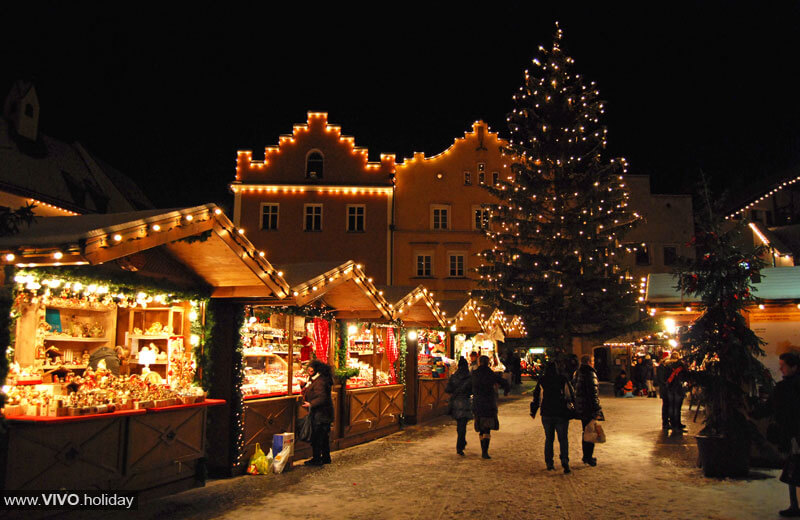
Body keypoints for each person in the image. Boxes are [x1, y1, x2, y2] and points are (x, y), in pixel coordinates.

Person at [757, 352, 800, 517]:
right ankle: (795, 505)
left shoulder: (786, 388)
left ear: (794, 367)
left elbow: (771, 407)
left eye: (783, 365)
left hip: (794, 435)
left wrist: (753, 414)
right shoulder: (787, 386)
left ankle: (795, 506)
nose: (780, 368)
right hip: (793, 434)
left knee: (794, 469)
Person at [531, 362, 573, 473]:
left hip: (547, 412)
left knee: (549, 439)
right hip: (561, 412)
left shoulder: (542, 380)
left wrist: (533, 410)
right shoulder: (562, 379)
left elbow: (537, 397)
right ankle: (565, 461)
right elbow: (570, 394)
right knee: (563, 439)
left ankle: (549, 463)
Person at [472, 355, 510, 459]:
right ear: (488, 363)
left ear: (479, 362)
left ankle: (483, 448)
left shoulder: (474, 374)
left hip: (478, 403)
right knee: (487, 427)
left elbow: (468, 386)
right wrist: (506, 391)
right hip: (489, 403)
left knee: (480, 427)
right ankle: (485, 451)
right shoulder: (491, 374)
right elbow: (505, 382)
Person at [301, 359, 334, 466]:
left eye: (311, 369)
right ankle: (325, 457)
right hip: (324, 413)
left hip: (321, 414)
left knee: (318, 437)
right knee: (324, 437)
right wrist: (304, 385)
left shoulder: (320, 381)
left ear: (316, 369)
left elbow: (322, 397)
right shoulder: (317, 379)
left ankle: (316, 459)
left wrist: (311, 404)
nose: (309, 370)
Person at [574, 354, 604, 466]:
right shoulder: (590, 373)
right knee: (591, 431)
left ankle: (586, 455)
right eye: (592, 360)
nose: (594, 362)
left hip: (581, 406)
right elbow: (593, 393)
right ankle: (588, 457)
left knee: (586, 430)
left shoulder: (578, 372)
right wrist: (597, 409)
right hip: (589, 407)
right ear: (589, 362)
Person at [445, 357, 473, 456]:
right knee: (463, 425)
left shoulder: (454, 377)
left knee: (459, 425)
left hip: (456, 403)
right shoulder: (469, 377)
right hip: (465, 401)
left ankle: (461, 443)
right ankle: (460, 445)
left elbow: (448, 389)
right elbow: (472, 390)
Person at [665, 351, 687, 433]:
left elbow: (665, 376)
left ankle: (673, 424)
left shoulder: (667, 365)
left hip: (670, 388)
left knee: (671, 406)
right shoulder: (681, 365)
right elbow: (685, 374)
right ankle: (677, 424)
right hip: (678, 387)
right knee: (677, 407)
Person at [656, 352, 672, 429]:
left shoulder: (666, 367)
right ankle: (665, 423)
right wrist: (666, 384)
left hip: (666, 389)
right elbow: (661, 379)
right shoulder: (661, 368)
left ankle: (667, 422)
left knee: (667, 405)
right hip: (664, 389)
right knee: (666, 405)